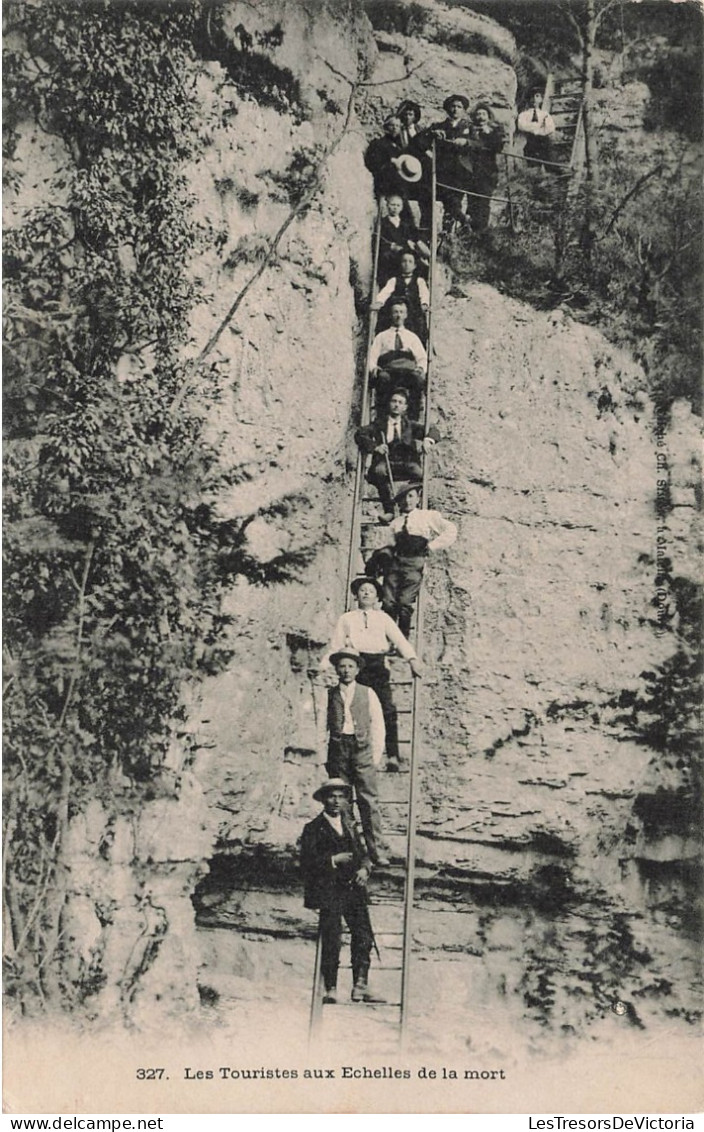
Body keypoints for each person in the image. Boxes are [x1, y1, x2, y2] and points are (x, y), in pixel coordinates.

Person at [320, 574, 424, 772]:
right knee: (352, 710)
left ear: (377, 597)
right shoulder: (347, 618)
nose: (366, 593)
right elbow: (335, 646)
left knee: (387, 709)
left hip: (377, 665)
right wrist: (323, 665)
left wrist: (413, 660)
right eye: (362, 590)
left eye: (371, 590)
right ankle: (349, 758)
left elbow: (400, 640)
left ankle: (393, 755)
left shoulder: (383, 618)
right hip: (355, 664)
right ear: (356, 596)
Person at [300, 778, 374, 1004]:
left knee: (363, 934)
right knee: (332, 938)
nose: (336, 801)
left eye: (341, 796)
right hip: (329, 891)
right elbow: (306, 862)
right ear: (323, 799)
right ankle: (330, 988)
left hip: (353, 888)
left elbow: (363, 853)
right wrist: (333, 859)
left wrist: (364, 869)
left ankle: (360, 985)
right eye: (331, 796)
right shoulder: (312, 828)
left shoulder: (350, 825)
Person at [366, 483, 457, 637]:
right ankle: (386, 639)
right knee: (388, 603)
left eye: (411, 496)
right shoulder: (396, 522)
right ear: (399, 501)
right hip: (396, 563)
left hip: (415, 562)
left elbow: (451, 530)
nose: (407, 501)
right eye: (403, 497)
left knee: (405, 603)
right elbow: (389, 544)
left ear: (418, 498)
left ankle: (401, 641)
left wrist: (432, 546)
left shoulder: (427, 516)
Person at [324, 648, 388, 866]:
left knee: (368, 801)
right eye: (342, 666)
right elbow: (321, 727)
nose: (346, 670)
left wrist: (375, 756)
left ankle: (376, 850)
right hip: (338, 751)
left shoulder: (367, 693)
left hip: (362, 750)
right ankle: (351, 850)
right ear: (336, 669)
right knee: (341, 802)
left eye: (350, 666)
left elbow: (378, 725)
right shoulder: (330, 694)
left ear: (358, 669)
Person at [355, 386, 439, 516]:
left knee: (419, 474)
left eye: (400, 403)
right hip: (386, 462)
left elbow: (434, 431)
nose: (396, 405)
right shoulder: (379, 424)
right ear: (389, 404)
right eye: (394, 401)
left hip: (406, 462)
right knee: (378, 472)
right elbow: (360, 434)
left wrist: (428, 440)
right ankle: (389, 510)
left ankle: (408, 505)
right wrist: (375, 447)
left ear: (404, 407)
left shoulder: (410, 426)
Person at [368, 299, 427, 418]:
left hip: (407, 371)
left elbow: (422, 357)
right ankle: (382, 417)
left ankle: (413, 416)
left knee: (417, 379)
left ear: (405, 315)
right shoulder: (382, 336)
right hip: (389, 370)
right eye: (395, 312)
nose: (398, 315)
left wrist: (420, 369)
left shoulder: (412, 337)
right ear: (391, 314)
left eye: (401, 312)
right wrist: (374, 368)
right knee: (382, 379)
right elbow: (372, 356)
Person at [421, 93, 472, 229]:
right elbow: (419, 142)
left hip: (461, 172)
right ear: (448, 109)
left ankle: (451, 233)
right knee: (444, 199)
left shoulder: (470, 128)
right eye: (452, 106)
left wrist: (467, 141)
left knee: (455, 201)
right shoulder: (439, 126)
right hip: (442, 170)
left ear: (463, 110)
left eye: (459, 107)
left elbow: (479, 144)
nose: (455, 109)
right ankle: (459, 220)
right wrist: (432, 135)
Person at [464, 102, 505, 231]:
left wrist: (487, 133)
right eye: (478, 114)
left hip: (488, 172)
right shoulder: (470, 130)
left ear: (488, 116)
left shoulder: (495, 131)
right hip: (472, 171)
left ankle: (482, 231)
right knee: (472, 202)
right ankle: (470, 230)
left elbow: (498, 147)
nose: (480, 117)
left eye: (483, 114)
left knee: (484, 201)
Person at [375, 251, 430, 343]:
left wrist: (424, 304)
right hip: (399, 312)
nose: (407, 264)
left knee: (418, 328)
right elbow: (385, 292)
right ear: (400, 264)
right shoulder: (394, 280)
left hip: (413, 313)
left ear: (415, 265)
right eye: (404, 261)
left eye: (410, 262)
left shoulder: (419, 281)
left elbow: (424, 294)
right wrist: (379, 302)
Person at [377, 194, 430, 284]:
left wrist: (420, 245)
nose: (395, 208)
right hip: (391, 254)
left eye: (398, 205)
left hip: (406, 253)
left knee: (423, 267)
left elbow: (415, 237)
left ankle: (418, 291)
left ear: (401, 208)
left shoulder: (405, 224)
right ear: (387, 205)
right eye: (393, 205)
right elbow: (381, 240)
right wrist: (392, 246)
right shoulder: (382, 223)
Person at [364, 115, 407, 200]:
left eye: (397, 126)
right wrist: (389, 161)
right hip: (384, 183)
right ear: (386, 127)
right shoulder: (378, 144)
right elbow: (371, 163)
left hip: (400, 185)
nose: (395, 128)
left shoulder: (401, 146)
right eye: (392, 125)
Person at [516, 89, 556, 171]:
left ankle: (551, 173)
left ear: (541, 99)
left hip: (543, 140)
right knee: (533, 164)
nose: (534, 99)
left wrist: (539, 131)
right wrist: (537, 126)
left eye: (537, 96)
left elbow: (550, 127)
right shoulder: (523, 114)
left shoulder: (545, 114)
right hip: (530, 140)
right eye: (532, 97)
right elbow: (522, 126)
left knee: (549, 159)